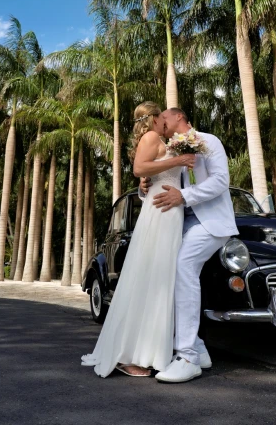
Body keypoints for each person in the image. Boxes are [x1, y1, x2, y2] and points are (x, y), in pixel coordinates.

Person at [81, 101, 195, 377]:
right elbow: (139, 168)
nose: (165, 123)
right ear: (154, 119)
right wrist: (179, 160)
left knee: (161, 280)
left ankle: (152, 351)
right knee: (150, 279)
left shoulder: (162, 139)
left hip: (170, 213)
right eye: (162, 118)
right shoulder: (151, 136)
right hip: (159, 216)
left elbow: (149, 173)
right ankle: (128, 354)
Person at [142, 108, 239, 383]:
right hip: (180, 223)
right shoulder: (171, 152)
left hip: (211, 224)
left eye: (164, 116)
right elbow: (166, 187)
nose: (160, 121)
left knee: (184, 266)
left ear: (178, 118)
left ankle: (188, 357)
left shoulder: (209, 141)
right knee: (170, 273)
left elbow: (221, 181)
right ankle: (197, 346)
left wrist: (184, 196)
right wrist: (145, 186)